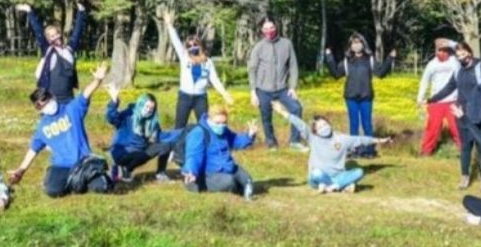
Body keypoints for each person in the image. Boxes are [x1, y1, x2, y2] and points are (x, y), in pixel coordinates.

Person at [8, 62, 114, 197]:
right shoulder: (42, 127)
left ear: (52, 97)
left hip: (83, 162)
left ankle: (85, 178)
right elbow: (33, 150)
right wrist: (21, 170)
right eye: (40, 106)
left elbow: (85, 94)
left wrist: (98, 80)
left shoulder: (71, 109)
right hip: (61, 166)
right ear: (37, 110)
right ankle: (76, 181)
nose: (45, 105)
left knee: (104, 187)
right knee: (52, 191)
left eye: (46, 100)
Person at [428, 42, 481, 190]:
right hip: (462, 114)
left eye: (463, 54)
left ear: (469, 53)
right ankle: (464, 177)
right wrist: (433, 99)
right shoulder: (458, 70)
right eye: (458, 56)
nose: (461, 58)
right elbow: (449, 87)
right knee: (465, 148)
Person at [271, 102, 391, 193]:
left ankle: (331, 186)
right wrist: (282, 112)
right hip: (319, 177)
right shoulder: (313, 138)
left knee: (359, 172)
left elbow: (361, 140)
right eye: (320, 127)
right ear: (315, 131)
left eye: (325, 124)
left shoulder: (341, 139)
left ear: (329, 124)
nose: (324, 127)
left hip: (338, 175)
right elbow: (299, 124)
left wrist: (380, 140)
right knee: (316, 174)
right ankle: (339, 186)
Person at [324, 33, 395, 159]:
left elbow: (381, 73)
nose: (356, 45)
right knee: (354, 124)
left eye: (359, 42)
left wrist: (390, 58)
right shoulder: (347, 61)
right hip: (351, 97)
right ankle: (354, 150)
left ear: (363, 44)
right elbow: (336, 74)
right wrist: (329, 57)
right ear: (350, 46)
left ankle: (369, 150)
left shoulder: (370, 59)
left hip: (366, 97)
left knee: (367, 124)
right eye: (354, 43)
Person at [162, 13, 234, 128]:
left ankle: (204, 145)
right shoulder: (184, 57)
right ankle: (176, 145)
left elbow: (214, 80)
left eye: (195, 44)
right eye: (189, 45)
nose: (192, 47)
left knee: (204, 126)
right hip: (185, 96)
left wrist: (225, 94)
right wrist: (169, 25)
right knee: (179, 126)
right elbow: (176, 42)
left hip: (201, 98)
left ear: (200, 46)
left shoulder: (208, 62)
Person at [247, 15, 306, 151]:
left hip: (282, 89)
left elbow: (293, 66)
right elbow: (252, 70)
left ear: (276, 27)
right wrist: (253, 92)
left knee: (297, 108)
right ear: (262, 30)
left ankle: (295, 141)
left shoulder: (287, 44)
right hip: (263, 89)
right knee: (266, 116)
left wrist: (292, 87)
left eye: (271, 27)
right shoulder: (258, 47)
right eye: (266, 28)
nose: (269, 30)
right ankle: (271, 142)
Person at [105, 86, 181, 183]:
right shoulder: (129, 115)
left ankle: (160, 174)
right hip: (123, 151)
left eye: (151, 109)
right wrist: (114, 101)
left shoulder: (152, 121)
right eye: (147, 106)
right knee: (139, 154)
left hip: (141, 152)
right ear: (141, 104)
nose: (148, 110)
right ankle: (120, 170)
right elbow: (112, 118)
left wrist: (183, 133)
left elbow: (161, 136)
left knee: (166, 145)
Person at [15, 2, 87, 104]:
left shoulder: (69, 50)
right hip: (51, 100)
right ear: (48, 39)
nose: (56, 37)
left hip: (68, 99)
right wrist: (29, 11)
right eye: (52, 36)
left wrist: (81, 12)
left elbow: (77, 33)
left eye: (57, 34)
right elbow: (38, 31)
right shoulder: (48, 50)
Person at [181, 105, 258, 200]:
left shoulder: (224, 130)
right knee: (229, 182)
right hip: (207, 173)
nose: (221, 126)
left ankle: (240, 190)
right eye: (217, 123)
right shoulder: (198, 133)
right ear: (209, 119)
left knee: (248, 180)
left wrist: (249, 136)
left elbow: (235, 140)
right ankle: (233, 190)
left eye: (224, 123)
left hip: (227, 167)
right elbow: (194, 156)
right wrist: (191, 171)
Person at [416, 38, 462, 156]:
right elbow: (424, 81)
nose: (442, 53)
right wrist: (420, 98)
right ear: (436, 51)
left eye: (444, 50)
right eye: (439, 50)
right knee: (432, 128)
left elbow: (462, 48)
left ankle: (464, 150)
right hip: (436, 101)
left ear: (449, 51)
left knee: (456, 127)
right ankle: (426, 151)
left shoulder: (455, 61)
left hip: (453, 100)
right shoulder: (431, 64)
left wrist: (450, 42)